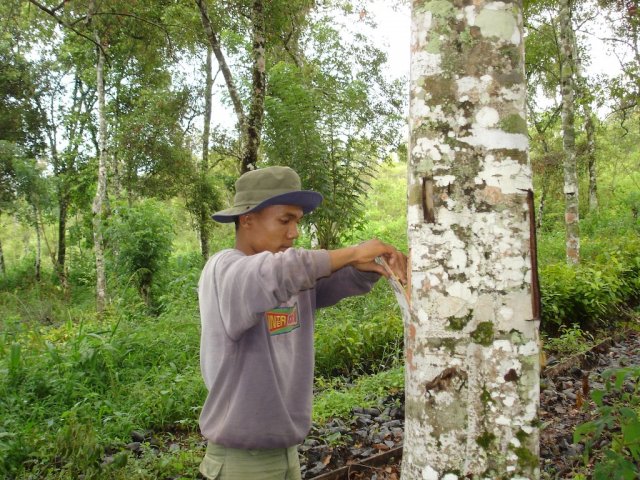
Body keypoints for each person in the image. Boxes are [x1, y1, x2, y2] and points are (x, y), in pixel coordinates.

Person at [197, 166, 407, 480]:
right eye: (285, 220)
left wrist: (371, 266)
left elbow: (330, 279)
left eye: (297, 221)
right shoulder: (226, 271)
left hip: (287, 456)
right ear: (247, 218)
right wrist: (351, 252)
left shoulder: (295, 280)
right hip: (240, 464)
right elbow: (280, 272)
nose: (294, 232)